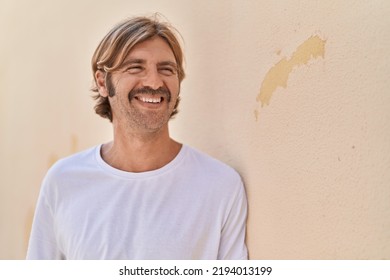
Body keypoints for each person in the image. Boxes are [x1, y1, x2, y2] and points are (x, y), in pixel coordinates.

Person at [27, 15, 248, 260]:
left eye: (166, 69)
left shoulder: (220, 185)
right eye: (135, 67)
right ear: (102, 82)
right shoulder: (63, 181)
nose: (154, 82)